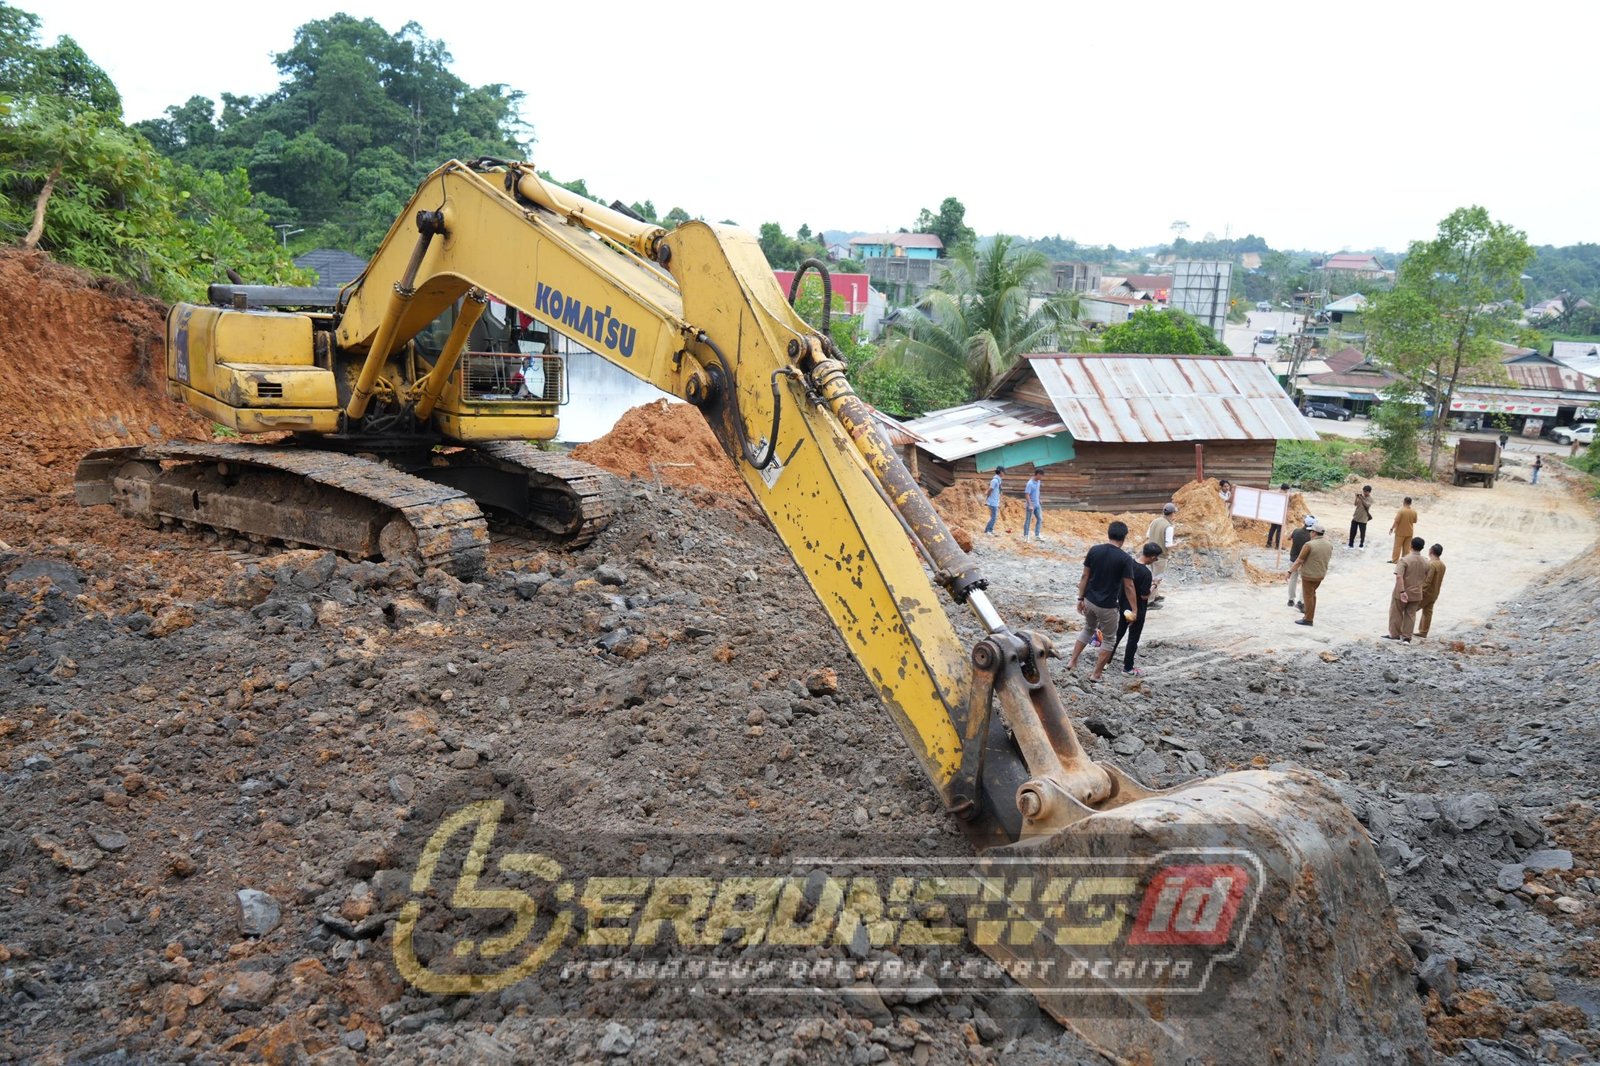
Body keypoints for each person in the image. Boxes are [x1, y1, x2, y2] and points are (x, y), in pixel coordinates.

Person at [1067, 521, 1138, 684]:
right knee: (1109, 639)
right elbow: (1129, 586)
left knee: (1088, 628)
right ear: (1124, 537)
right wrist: (1134, 609)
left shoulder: (1094, 550)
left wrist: (1080, 598)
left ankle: (1072, 661)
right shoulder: (1125, 559)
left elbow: (1085, 576)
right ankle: (1096, 674)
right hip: (1108, 605)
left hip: (1089, 600)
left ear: (1109, 533)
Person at [1112, 542, 1162, 675]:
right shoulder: (1146, 573)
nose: (1156, 560)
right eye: (1156, 558)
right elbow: (1145, 596)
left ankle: (1106, 661)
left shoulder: (1128, 565)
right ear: (1152, 557)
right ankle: (1128, 667)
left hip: (1122, 606)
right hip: (1137, 609)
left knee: (1117, 635)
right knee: (1133, 639)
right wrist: (1154, 585)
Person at [1287, 520, 1333, 627]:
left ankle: (1308, 619)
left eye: (1311, 531)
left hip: (1309, 575)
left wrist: (1289, 571)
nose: (1310, 533)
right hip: (1320, 574)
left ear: (1314, 533)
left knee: (1308, 596)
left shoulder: (1309, 545)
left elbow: (1299, 561)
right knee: (1312, 595)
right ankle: (1309, 616)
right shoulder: (1329, 544)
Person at [1385, 536, 1428, 643]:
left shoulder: (1405, 560)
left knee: (1396, 612)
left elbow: (1399, 576)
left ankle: (1394, 635)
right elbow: (1426, 577)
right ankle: (1407, 638)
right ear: (1422, 548)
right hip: (1417, 592)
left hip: (1402, 591)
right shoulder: (1426, 562)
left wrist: (1402, 591)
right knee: (1411, 615)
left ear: (1411, 546)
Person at [1145, 503, 1177, 605]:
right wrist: (1176, 545)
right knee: (1157, 578)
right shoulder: (1169, 527)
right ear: (1172, 514)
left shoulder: (1155, 521)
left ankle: (1155, 595)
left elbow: (1147, 535)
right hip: (1161, 556)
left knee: (1154, 575)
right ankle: (1150, 601)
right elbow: (1168, 545)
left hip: (1150, 554)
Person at [1285, 515, 1316, 609]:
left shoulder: (1296, 531)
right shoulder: (1311, 537)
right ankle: (1301, 601)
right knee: (1304, 581)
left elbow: (1288, 538)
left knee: (1293, 579)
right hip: (1304, 562)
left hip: (1293, 559)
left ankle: (1290, 600)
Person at [1418, 544, 1447, 639]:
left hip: (1426, 593)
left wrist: (1421, 591)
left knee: (1411, 610)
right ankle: (1423, 632)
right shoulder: (1442, 565)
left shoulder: (1432, 564)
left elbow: (1428, 581)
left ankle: (1405, 630)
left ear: (1431, 551)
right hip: (1435, 593)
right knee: (1428, 612)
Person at [1388, 496, 1418, 564]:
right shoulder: (1414, 511)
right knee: (1407, 548)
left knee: (1397, 547)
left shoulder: (1401, 511)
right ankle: (1405, 561)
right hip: (1409, 532)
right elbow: (1415, 521)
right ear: (1410, 503)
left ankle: (1395, 560)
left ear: (1404, 502)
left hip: (1400, 532)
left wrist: (1392, 528)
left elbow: (1396, 521)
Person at [1265, 483, 1290, 549]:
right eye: (1287, 490)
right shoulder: (1284, 496)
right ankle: (1278, 545)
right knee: (1279, 531)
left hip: (1274, 514)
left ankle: (1268, 543)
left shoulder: (1276, 494)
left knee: (1272, 529)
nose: (1287, 491)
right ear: (1285, 489)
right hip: (1280, 515)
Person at [1350, 485, 1374, 549]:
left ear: (1369, 492)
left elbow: (1367, 506)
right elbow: (1355, 504)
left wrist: (1361, 499)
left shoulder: (1370, 499)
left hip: (1363, 518)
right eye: (1363, 491)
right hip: (1356, 516)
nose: (1364, 493)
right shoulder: (1361, 497)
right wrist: (1356, 497)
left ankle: (1361, 545)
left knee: (1362, 533)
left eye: (1365, 491)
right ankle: (1350, 545)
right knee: (1352, 532)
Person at [1023, 469, 1043, 538]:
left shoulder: (1038, 482)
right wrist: (1030, 505)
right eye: (1041, 476)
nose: (1041, 477)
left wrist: (1039, 499)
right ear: (1038, 474)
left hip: (1037, 504)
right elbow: (1027, 494)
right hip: (1031, 505)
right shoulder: (1030, 483)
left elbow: (1038, 491)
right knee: (1028, 520)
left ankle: (1037, 535)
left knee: (1040, 519)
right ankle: (1026, 535)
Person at [984, 467, 1005, 534]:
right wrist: (987, 498)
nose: (1004, 473)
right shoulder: (995, 480)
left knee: (994, 517)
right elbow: (990, 489)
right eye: (1003, 472)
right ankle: (988, 531)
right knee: (994, 517)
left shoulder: (999, 480)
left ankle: (990, 529)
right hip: (992, 501)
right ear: (1000, 472)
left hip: (995, 501)